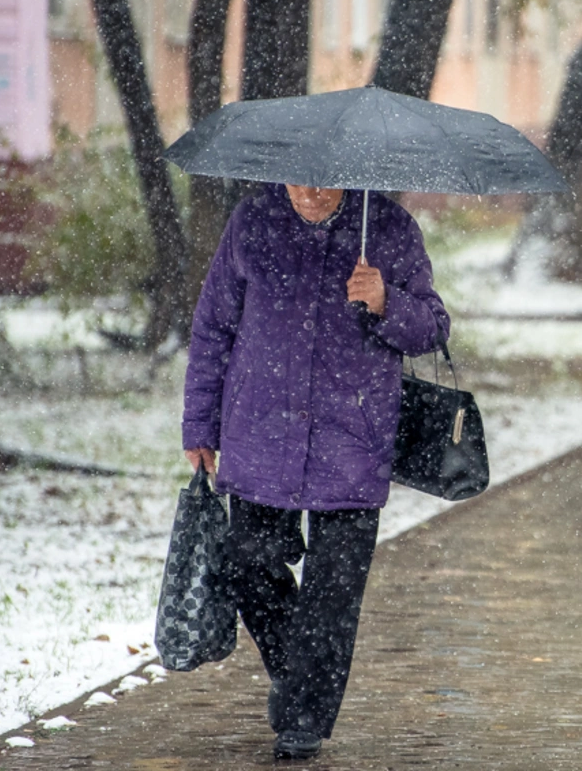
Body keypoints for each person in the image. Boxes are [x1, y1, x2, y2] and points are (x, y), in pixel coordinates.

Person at [181, 183, 449, 759]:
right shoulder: (252, 222)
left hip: (353, 438)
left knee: (334, 591)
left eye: (322, 179)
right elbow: (212, 328)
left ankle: (301, 720)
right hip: (260, 433)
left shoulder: (389, 228)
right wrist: (199, 425)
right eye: (296, 178)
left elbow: (433, 327)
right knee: (247, 562)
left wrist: (385, 302)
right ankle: (301, 677)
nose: (307, 191)